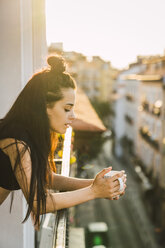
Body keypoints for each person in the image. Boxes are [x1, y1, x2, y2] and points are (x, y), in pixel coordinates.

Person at [0, 55, 126, 227]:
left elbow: (47, 178)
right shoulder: (17, 140)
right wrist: (94, 191)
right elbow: (38, 203)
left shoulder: (29, 132)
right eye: (67, 108)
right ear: (44, 106)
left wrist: (99, 184)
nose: (73, 116)